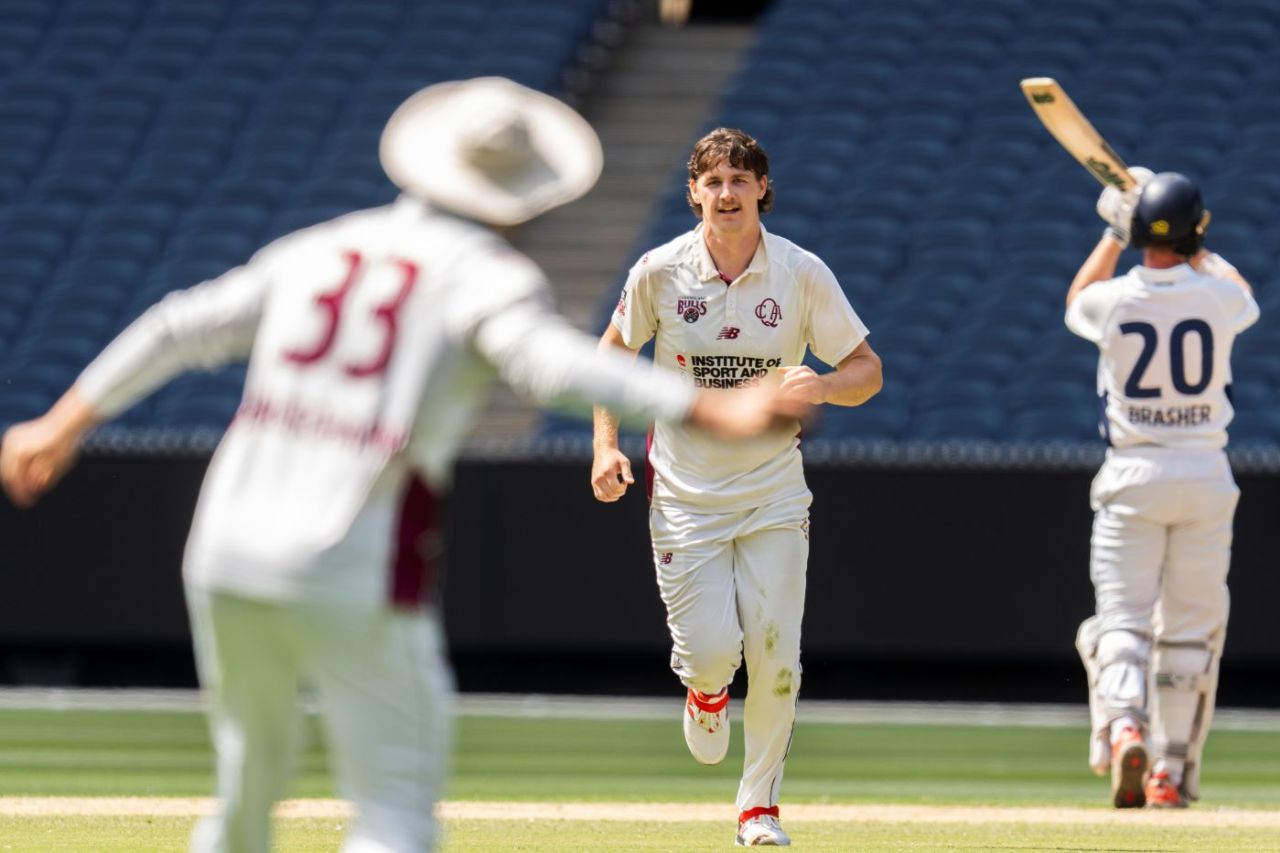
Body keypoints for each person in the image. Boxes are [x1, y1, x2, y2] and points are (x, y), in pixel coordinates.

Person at [0, 79, 809, 853]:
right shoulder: (486, 275)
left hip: (225, 546)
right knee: (393, 807)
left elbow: (179, 325)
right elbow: (552, 366)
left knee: (247, 778)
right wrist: (709, 407)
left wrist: (61, 423)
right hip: (353, 554)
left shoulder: (323, 244)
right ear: (526, 193)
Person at [589, 127, 882, 846]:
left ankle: (759, 808)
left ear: (761, 189)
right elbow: (612, 354)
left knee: (778, 657)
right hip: (685, 497)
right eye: (713, 182)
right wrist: (605, 445)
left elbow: (867, 370)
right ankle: (706, 688)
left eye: (739, 181)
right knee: (713, 652)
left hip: (774, 495)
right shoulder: (660, 271)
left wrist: (824, 385)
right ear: (694, 192)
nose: (727, 194)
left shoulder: (801, 272)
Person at [1069, 169, 1259, 809]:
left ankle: (1126, 726)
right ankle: (1169, 773)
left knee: (1122, 618)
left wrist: (1114, 230)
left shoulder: (1114, 300)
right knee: (1190, 629)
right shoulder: (1218, 297)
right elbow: (1244, 293)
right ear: (1194, 232)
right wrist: (1190, 241)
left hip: (1134, 474)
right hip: (1205, 473)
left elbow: (1077, 298)